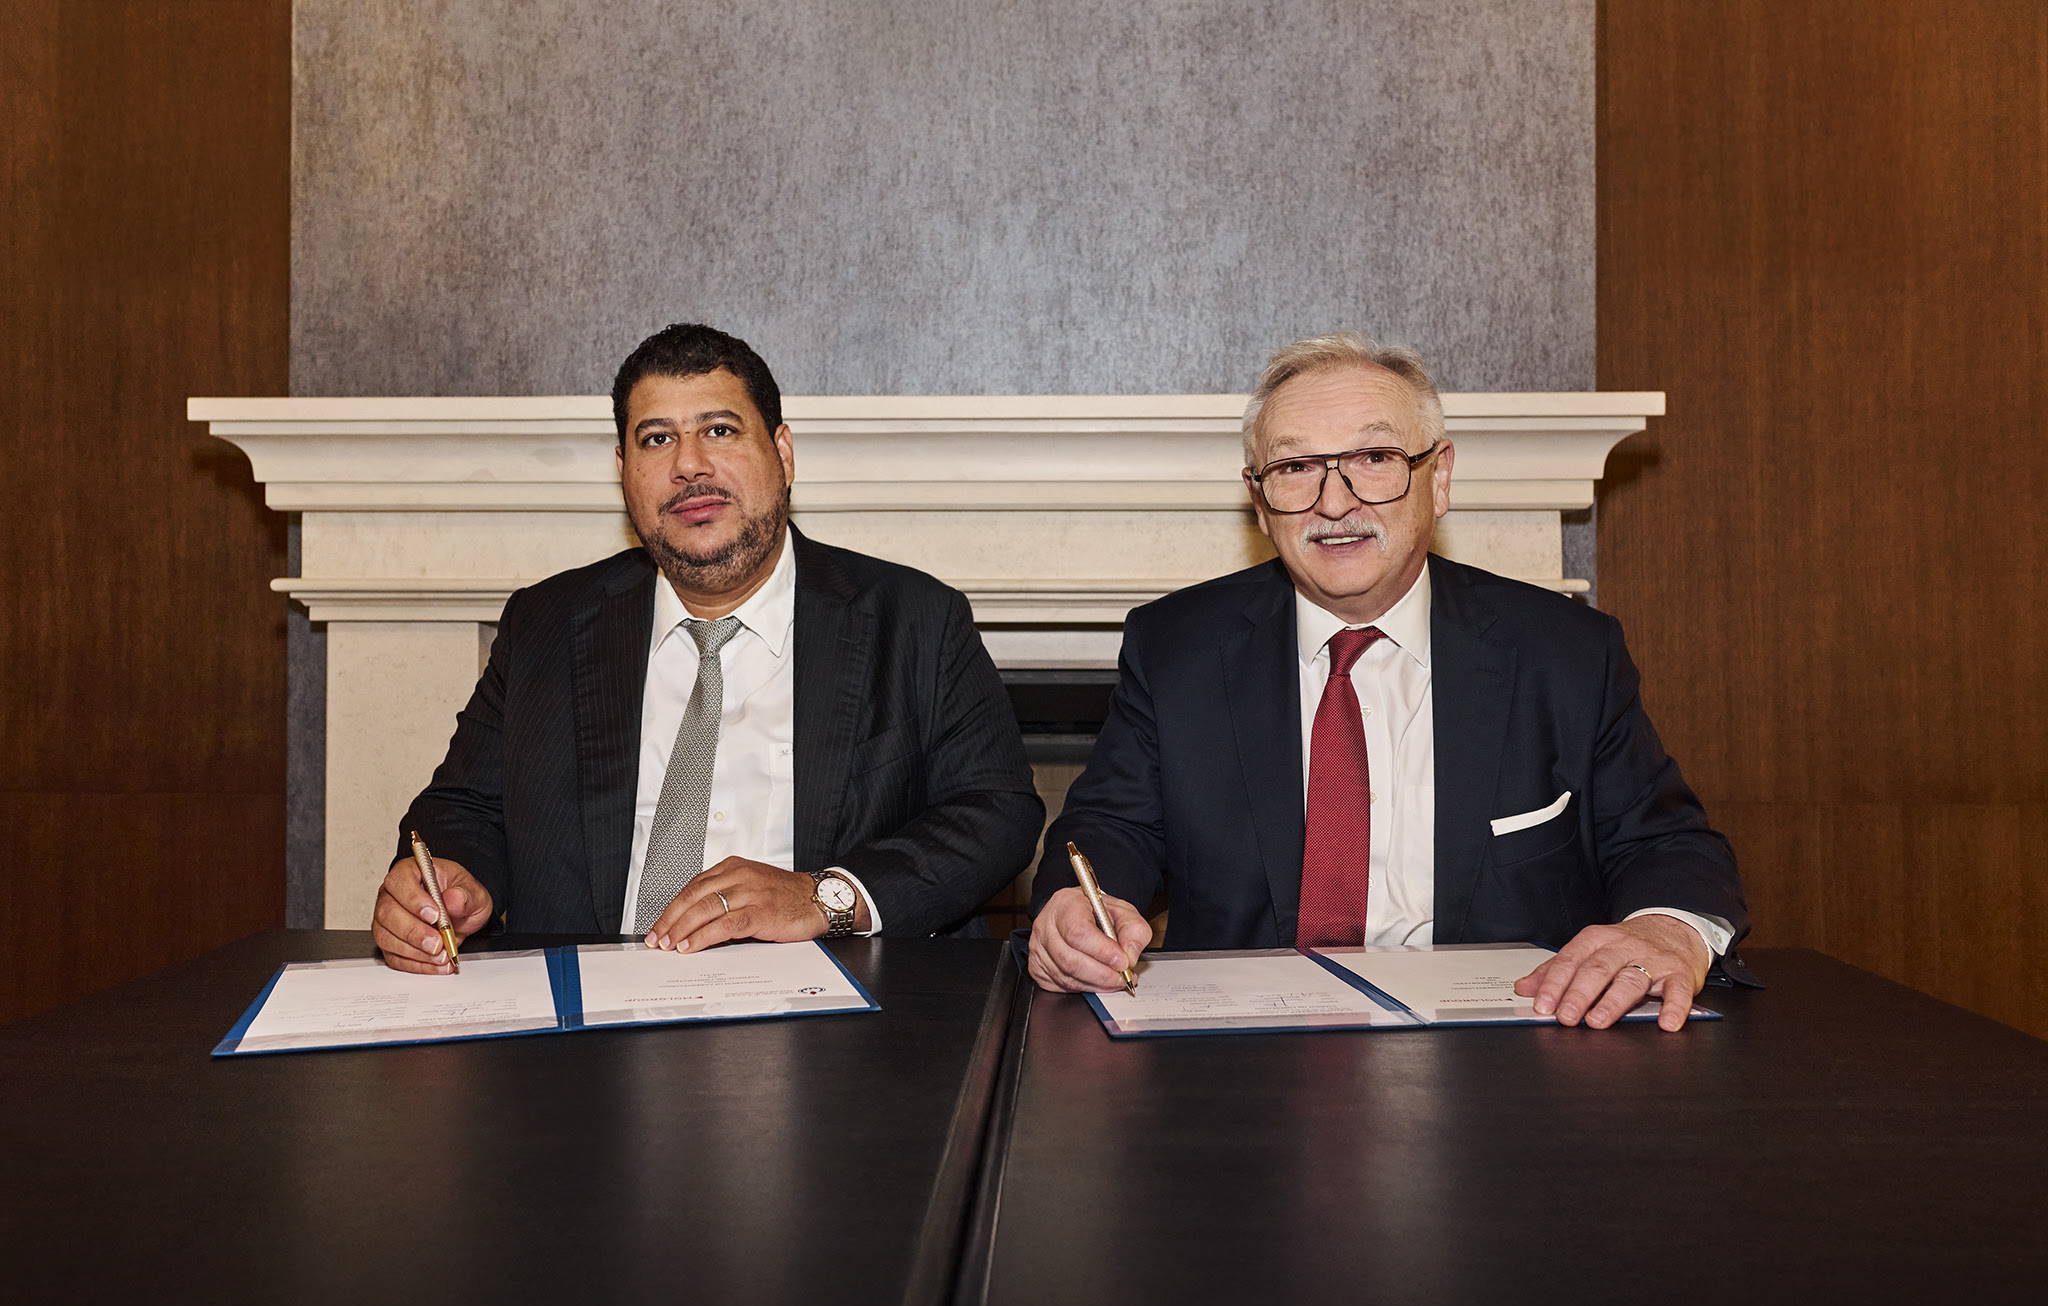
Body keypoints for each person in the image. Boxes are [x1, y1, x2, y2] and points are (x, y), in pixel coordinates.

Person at [1028, 333, 1751, 1030]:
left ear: (1439, 477)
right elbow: (1111, 828)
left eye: (1373, 458)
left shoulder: (1564, 652)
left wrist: (1665, 929)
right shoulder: (1177, 648)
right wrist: (1076, 910)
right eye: (1296, 467)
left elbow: (1668, 845)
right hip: (1243, 1051)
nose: (1334, 502)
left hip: (1505, 1053)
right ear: (1258, 500)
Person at [373, 323, 1044, 972]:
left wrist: (824, 896)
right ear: (624, 471)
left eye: (719, 430)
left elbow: (998, 812)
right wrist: (449, 882)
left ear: (782, 454)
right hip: (589, 1014)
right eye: (656, 438)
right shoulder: (545, 623)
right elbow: (463, 810)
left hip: (825, 1012)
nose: (688, 465)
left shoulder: (915, 620)